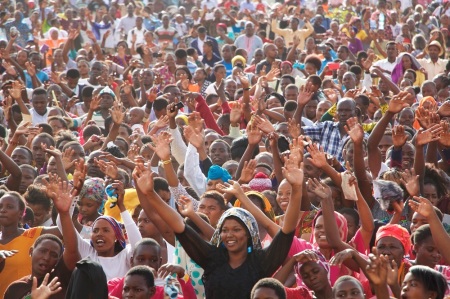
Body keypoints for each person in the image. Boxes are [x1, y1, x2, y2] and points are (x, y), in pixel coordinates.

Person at [133, 139, 304, 298]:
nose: (229, 234)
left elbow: (287, 231)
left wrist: (296, 188)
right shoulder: (212, 257)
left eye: (236, 230)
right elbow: (179, 226)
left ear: (249, 234)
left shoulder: (261, 261)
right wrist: (150, 193)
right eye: (225, 230)